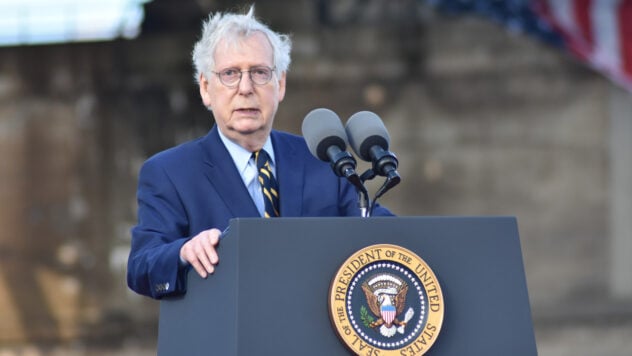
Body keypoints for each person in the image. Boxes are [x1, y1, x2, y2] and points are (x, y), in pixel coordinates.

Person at [127, 5, 392, 299]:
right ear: (205, 88)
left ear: (279, 84)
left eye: (260, 73)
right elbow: (141, 266)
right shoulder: (170, 172)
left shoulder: (323, 159)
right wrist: (183, 252)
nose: (245, 88)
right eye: (229, 73)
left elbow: (389, 237)